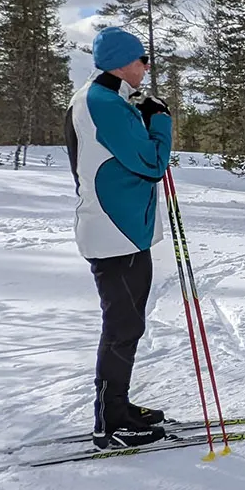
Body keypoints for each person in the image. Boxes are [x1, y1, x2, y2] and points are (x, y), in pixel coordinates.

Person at [67, 26, 175, 446]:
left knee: (126, 323)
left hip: (120, 227)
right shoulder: (103, 103)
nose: (146, 66)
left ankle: (118, 405)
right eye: (141, 59)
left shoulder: (100, 98)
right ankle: (110, 419)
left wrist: (142, 114)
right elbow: (151, 163)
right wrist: (160, 121)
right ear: (122, 61)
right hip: (115, 230)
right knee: (122, 325)